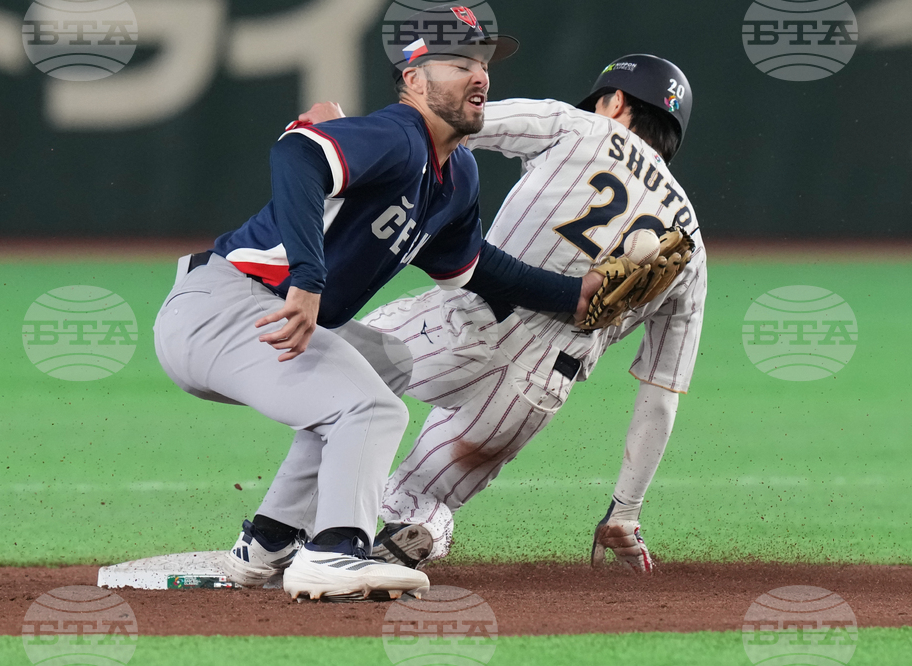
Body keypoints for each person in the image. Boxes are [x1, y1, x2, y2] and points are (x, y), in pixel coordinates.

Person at [153, 3, 600, 600]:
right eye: (459, 61)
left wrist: (574, 296)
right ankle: (336, 552)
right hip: (222, 307)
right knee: (371, 410)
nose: (480, 75)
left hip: (263, 318)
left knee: (385, 361)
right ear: (413, 78)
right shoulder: (399, 135)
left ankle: (269, 540)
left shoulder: (457, 174)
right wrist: (307, 277)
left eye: (483, 61)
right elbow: (297, 155)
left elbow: (477, 270)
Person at [300, 54, 705, 574]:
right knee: (415, 498)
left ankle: (281, 535)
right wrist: (625, 510)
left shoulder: (575, 126)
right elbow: (660, 394)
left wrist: (346, 132)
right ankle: (421, 527)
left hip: (462, 323)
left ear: (617, 101)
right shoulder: (691, 246)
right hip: (535, 387)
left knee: (332, 377)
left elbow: (446, 122)